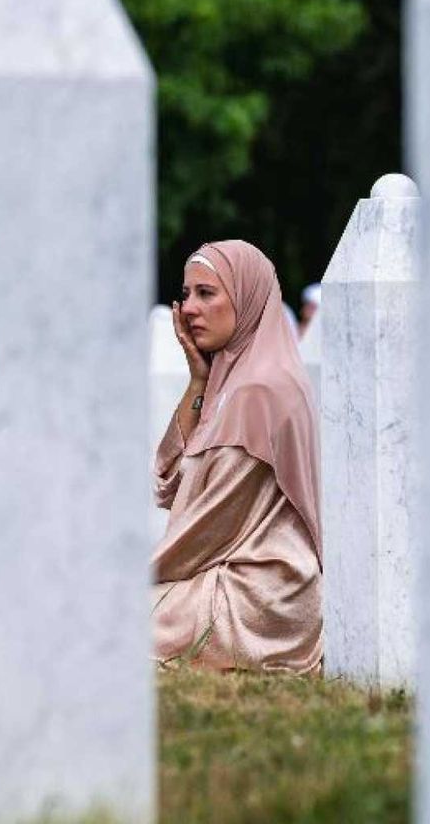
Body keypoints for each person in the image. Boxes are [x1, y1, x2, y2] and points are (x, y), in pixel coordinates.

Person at [151, 239, 322, 673]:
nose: (189, 309)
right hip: (230, 577)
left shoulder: (260, 391)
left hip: (261, 594)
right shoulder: (232, 383)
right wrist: (198, 382)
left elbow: (205, 528)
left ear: (246, 298)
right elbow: (169, 483)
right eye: (186, 294)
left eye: (206, 293)